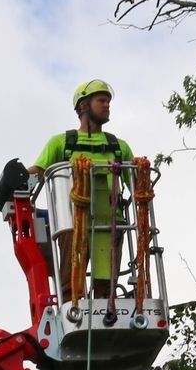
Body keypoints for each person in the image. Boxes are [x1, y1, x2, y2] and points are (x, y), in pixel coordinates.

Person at [29, 79, 135, 302]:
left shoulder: (119, 147)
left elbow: (136, 182)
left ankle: (107, 312)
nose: (107, 105)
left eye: (108, 101)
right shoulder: (61, 143)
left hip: (110, 222)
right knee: (71, 283)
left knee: (106, 288)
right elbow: (37, 172)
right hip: (72, 223)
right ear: (83, 106)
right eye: (101, 100)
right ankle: (72, 311)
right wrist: (15, 179)